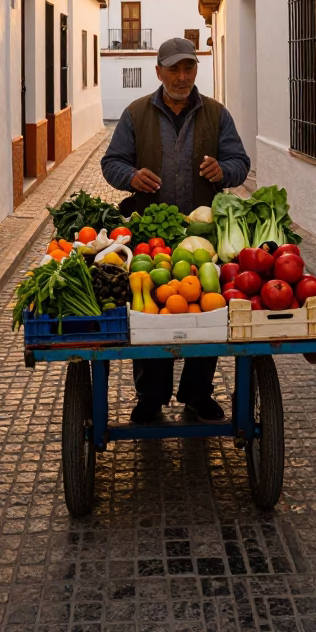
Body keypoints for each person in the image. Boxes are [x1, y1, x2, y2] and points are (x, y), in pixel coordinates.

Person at [101, 37, 250, 423]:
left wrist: (225, 170)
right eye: (174, 69)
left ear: (195, 71)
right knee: (151, 313)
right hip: (153, 237)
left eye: (188, 68)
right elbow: (111, 163)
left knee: (207, 310)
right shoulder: (136, 114)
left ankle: (198, 394)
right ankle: (150, 397)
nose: (182, 77)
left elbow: (240, 162)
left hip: (204, 237)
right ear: (159, 72)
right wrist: (131, 176)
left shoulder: (217, 114)